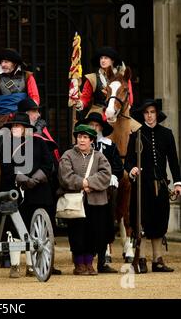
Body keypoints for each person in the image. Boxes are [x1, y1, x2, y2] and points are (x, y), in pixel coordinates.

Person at [125, 99, 181, 273]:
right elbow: (128, 161)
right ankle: (141, 259)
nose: (149, 116)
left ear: (157, 114)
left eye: (152, 112)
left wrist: (178, 182)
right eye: (146, 113)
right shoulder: (135, 134)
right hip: (141, 186)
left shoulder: (167, 134)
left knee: (159, 221)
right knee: (141, 222)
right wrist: (132, 170)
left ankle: (157, 260)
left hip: (161, 185)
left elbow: (173, 161)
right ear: (143, 115)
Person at [0, 112, 54, 278]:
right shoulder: (6, 145)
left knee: (35, 229)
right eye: (13, 126)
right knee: (15, 229)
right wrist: (23, 179)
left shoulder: (39, 142)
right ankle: (15, 265)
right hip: (16, 191)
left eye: (17, 126)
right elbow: (6, 168)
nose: (15, 128)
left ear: (25, 128)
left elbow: (48, 164)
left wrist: (34, 179)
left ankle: (32, 266)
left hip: (38, 190)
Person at [58, 124, 111, 275]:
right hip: (76, 201)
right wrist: (83, 183)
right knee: (77, 233)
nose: (82, 140)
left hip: (96, 201)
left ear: (91, 140)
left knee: (94, 233)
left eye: (85, 137)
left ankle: (89, 262)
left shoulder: (100, 156)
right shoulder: (68, 155)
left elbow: (106, 174)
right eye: (79, 137)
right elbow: (65, 176)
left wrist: (90, 183)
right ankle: (79, 263)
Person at [17, 98, 62, 275]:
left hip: (42, 186)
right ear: (26, 115)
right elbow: (9, 164)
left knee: (46, 227)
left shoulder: (40, 137)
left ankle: (46, 262)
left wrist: (35, 179)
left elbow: (50, 161)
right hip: (21, 189)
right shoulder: (11, 138)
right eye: (34, 111)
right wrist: (23, 180)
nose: (38, 114)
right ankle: (25, 262)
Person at [78, 112, 123, 273]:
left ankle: (103, 261)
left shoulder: (110, 145)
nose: (94, 128)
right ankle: (84, 261)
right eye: (91, 125)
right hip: (85, 192)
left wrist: (112, 177)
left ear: (101, 128)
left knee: (104, 227)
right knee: (85, 227)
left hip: (105, 192)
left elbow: (117, 166)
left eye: (97, 126)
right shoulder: (81, 147)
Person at [74, 46, 133, 119]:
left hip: (118, 114)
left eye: (106, 58)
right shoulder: (92, 78)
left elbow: (130, 100)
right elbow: (85, 98)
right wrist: (80, 103)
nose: (103, 60)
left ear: (112, 61)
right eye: (101, 58)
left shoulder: (123, 78)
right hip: (98, 114)